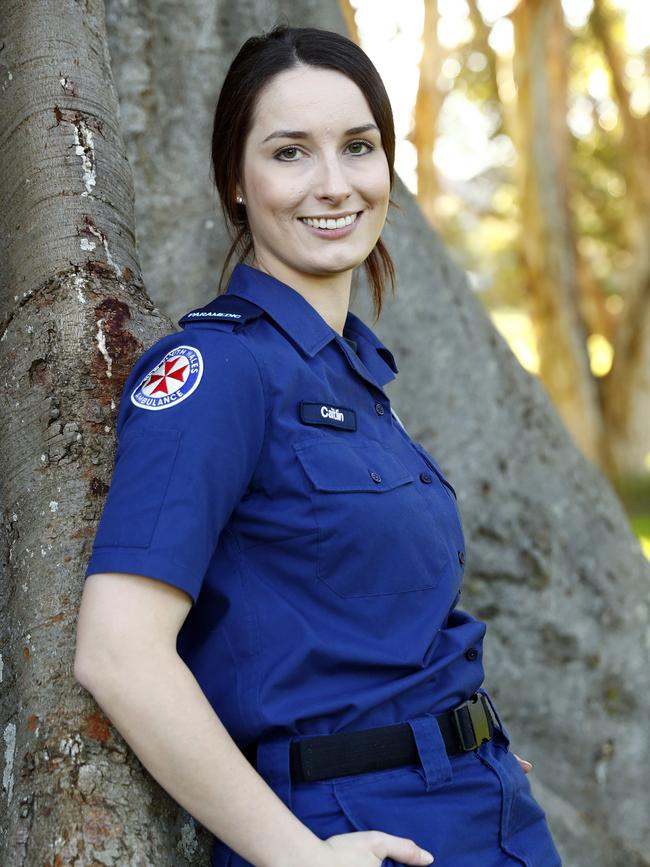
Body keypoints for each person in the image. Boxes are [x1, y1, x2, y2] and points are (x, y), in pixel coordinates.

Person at [74, 23, 563, 867]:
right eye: (291, 152)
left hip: (486, 810)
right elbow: (118, 650)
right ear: (236, 178)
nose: (334, 185)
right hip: (350, 830)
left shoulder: (357, 377)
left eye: (358, 147)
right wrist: (297, 855)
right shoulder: (217, 369)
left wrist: (459, 743)